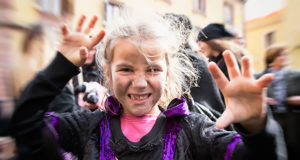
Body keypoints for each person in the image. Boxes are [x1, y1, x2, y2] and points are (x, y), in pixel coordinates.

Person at [10, 9, 286, 160]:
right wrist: (61, 67)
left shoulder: (193, 131)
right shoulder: (87, 127)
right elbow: (26, 126)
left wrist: (257, 125)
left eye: (153, 69)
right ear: (107, 70)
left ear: (167, 73)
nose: (140, 82)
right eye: (126, 68)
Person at [256, 44, 300, 160]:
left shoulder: (296, 75)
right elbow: (252, 97)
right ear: (272, 58)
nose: (284, 57)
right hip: (272, 119)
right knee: (275, 149)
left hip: (293, 119)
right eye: (280, 55)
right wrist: (264, 100)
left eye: (285, 55)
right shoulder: (260, 77)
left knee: (294, 148)